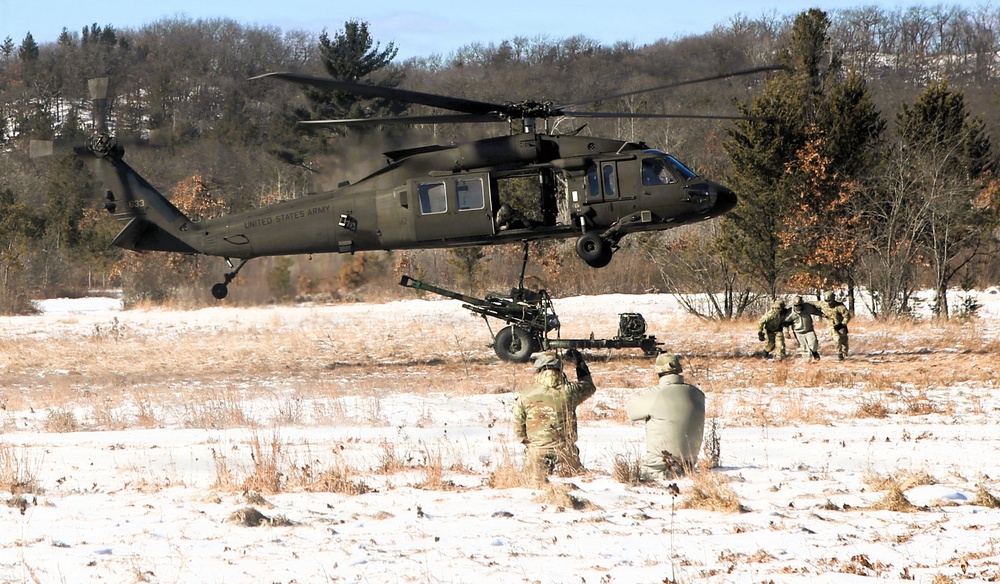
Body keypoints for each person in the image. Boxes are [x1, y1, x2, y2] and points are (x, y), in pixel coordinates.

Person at [512, 349, 596, 479]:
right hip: (565, 453)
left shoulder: (526, 395)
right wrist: (580, 364)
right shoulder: (569, 391)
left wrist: (530, 443)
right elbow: (589, 386)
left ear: (538, 370)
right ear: (559, 369)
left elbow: (518, 426)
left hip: (536, 453)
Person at [626, 353, 705, 480]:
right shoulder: (698, 394)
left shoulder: (655, 394)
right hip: (689, 463)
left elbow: (631, 412)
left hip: (659, 465)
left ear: (658, 372)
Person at [783, 295, 823, 361]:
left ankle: (814, 352)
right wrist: (786, 332)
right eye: (796, 306)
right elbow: (785, 323)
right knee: (804, 347)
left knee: (813, 343)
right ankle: (807, 361)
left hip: (809, 330)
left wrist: (823, 314)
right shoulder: (790, 312)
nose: (798, 307)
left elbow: (815, 311)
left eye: (799, 305)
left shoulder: (807, 307)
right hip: (798, 332)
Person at [819, 291, 851, 361]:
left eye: (829, 301)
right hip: (831, 325)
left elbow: (847, 316)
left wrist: (843, 324)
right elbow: (812, 304)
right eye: (826, 301)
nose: (828, 303)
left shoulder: (840, 307)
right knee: (837, 339)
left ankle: (844, 354)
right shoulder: (822, 304)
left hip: (841, 325)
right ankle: (839, 354)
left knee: (844, 342)